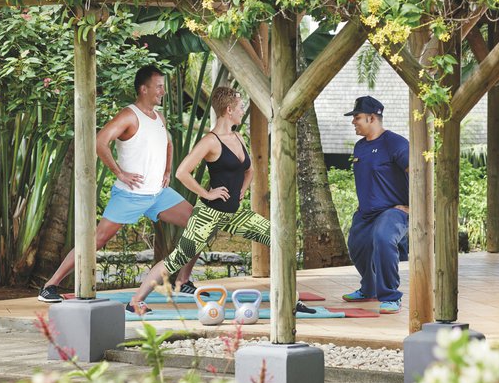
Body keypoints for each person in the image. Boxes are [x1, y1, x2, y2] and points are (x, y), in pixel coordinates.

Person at [128, 86, 314, 316]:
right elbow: (182, 172)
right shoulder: (210, 141)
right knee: (177, 259)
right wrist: (207, 194)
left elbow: (249, 170)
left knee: (280, 238)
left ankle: (290, 299)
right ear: (229, 110)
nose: (243, 110)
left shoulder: (238, 137)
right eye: (240, 107)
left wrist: (242, 190)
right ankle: (136, 301)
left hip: (234, 214)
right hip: (208, 215)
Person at [37, 65, 199, 302]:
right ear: (143, 89)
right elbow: (100, 141)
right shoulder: (129, 115)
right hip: (130, 195)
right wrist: (119, 173)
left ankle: (183, 281)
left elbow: (168, 144)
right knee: (97, 240)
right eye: (159, 87)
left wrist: (166, 171)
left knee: (200, 223)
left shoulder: (159, 117)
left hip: (158, 195)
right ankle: (49, 286)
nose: (163, 91)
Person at [341, 96, 409, 314]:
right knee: (356, 245)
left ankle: (390, 296)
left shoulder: (395, 143)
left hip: (393, 210)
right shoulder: (360, 147)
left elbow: (420, 173)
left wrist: (414, 207)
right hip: (366, 212)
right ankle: (369, 288)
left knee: (383, 238)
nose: (353, 121)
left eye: (357, 117)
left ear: (371, 118)